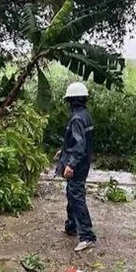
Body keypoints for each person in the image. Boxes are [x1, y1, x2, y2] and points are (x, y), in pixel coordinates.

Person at [54, 81, 96, 252]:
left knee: (76, 197)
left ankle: (87, 236)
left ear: (71, 101)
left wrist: (70, 164)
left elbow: (79, 145)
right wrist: (63, 151)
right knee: (72, 194)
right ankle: (71, 227)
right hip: (84, 162)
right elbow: (79, 141)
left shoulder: (77, 118)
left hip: (77, 165)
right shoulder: (86, 115)